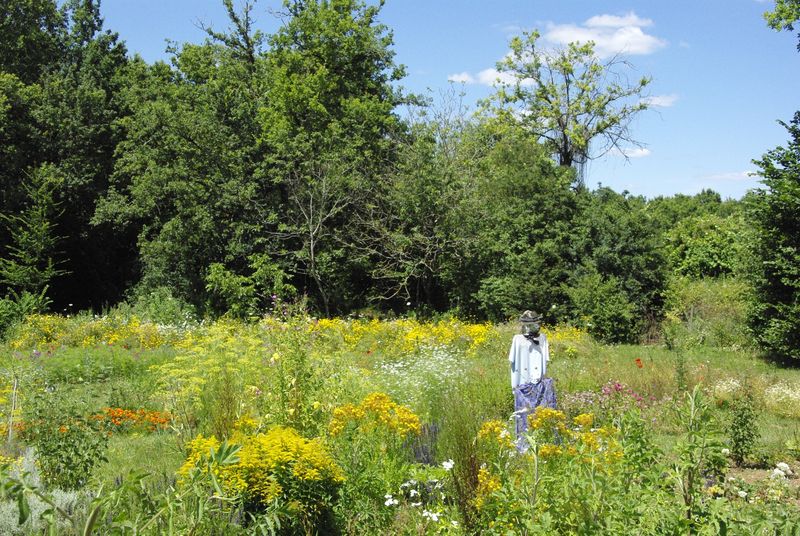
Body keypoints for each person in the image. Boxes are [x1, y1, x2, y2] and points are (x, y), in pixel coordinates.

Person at [509, 310, 557, 451]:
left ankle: (543, 443)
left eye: (534, 324)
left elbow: (545, 360)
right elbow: (513, 364)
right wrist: (515, 386)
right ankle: (525, 445)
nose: (532, 327)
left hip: (539, 382)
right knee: (524, 413)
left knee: (541, 413)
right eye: (528, 324)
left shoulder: (543, 338)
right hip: (523, 382)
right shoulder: (517, 339)